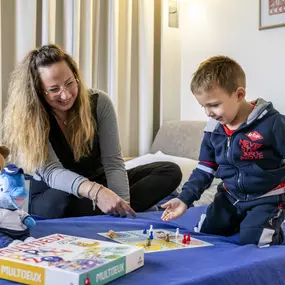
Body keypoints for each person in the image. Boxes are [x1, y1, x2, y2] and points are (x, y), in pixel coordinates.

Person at [3, 44, 182, 219]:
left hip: (98, 181)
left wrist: (122, 203)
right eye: (54, 89)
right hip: (54, 189)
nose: (65, 95)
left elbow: (113, 162)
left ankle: (114, 208)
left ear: (76, 77)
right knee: (58, 204)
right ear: (39, 91)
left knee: (169, 171)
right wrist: (96, 192)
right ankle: (122, 207)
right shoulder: (32, 117)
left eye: (69, 83)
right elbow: (51, 172)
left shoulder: (99, 103)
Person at [161, 55, 285, 246]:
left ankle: (272, 223)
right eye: (204, 106)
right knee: (204, 233)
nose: (208, 113)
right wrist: (184, 199)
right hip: (230, 197)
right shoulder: (213, 130)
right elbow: (204, 169)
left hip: (266, 197)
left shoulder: (273, 123)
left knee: (256, 240)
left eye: (214, 105)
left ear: (239, 94)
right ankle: (241, 221)